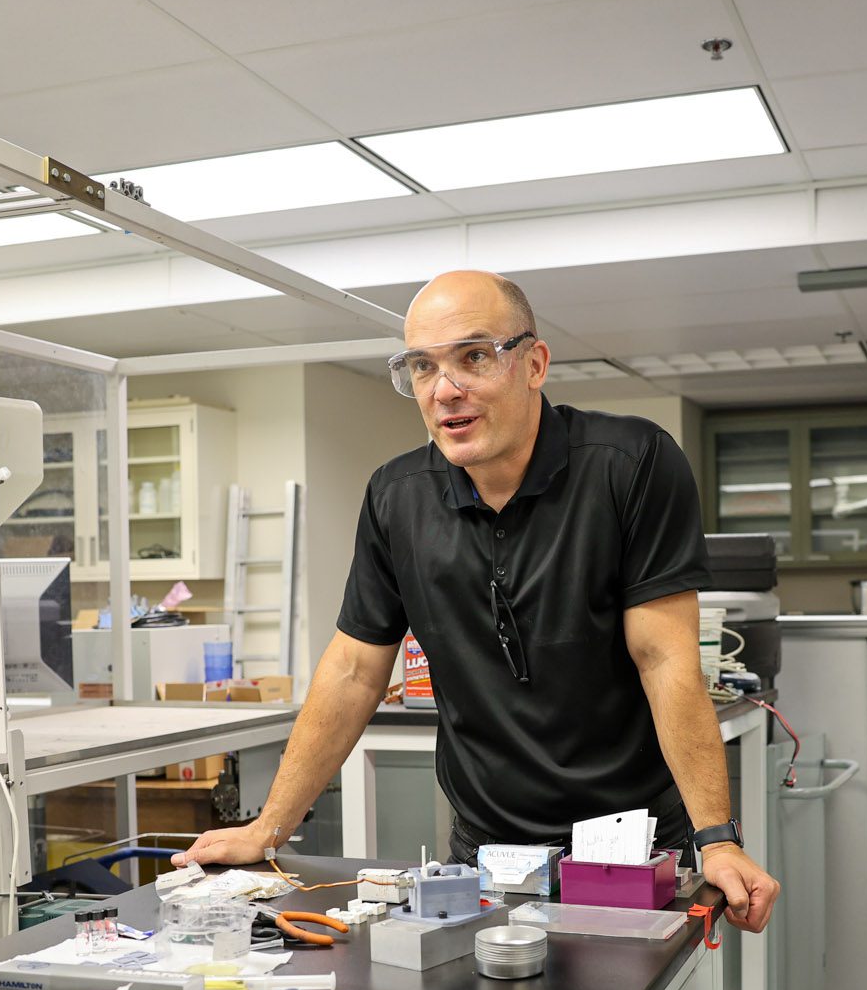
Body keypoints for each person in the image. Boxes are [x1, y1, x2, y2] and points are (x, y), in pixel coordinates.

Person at [176, 270, 778, 933]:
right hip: (487, 852)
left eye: (473, 357)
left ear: (534, 364)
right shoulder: (395, 498)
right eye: (422, 367)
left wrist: (716, 836)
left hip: (630, 845)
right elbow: (353, 670)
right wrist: (269, 827)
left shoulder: (630, 464)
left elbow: (664, 657)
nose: (445, 389)